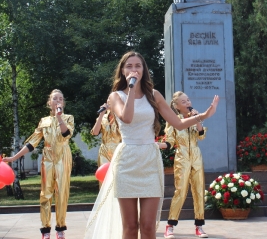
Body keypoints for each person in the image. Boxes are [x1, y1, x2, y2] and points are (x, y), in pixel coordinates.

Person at [84, 51, 219, 239]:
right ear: (123, 71)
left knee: (148, 226)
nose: (133, 69)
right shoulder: (116, 97)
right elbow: (127, 118)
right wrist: (131, 90)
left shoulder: (154, 95)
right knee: (130, 226)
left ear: (143, 70)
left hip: (149, 159)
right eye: (129, 66)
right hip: (127, 161)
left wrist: (203, 116)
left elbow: (178, 123)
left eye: (137, 65)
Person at [3, 89, 74, 239]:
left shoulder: (68, 118)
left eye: (60, 99)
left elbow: (66, 135)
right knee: (46, 194)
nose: (58, 101)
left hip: (63, 156)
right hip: (47, 157)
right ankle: (46, 230)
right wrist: (14, 158)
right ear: (49, 103)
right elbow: (32, 143)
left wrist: (59, 118)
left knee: (62, 193)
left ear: (63, 103)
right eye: (55, 99)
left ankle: (60, 228)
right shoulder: (44, 121)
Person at [164, 91, 208, 239]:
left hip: (196, 156)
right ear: (177, 106)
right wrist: (162, 145)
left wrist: (197, 119)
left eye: (188, 100)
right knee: (181, 191)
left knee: (199, 190)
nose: (188, 103)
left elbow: (201, 137)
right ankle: (170, 226)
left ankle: (199, 226)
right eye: (183, 102)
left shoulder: (196, 117)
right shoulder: (173, 121)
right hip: (182, 157)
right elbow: (169, 140)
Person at [90, 101, 122, 185]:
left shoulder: (121, 117)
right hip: (104, 151)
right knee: (104, 179)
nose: (109, 103)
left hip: (118, 150)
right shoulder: (102, 118)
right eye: (108, 101)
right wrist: (101, 115)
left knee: (117, 179)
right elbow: (95, 132)